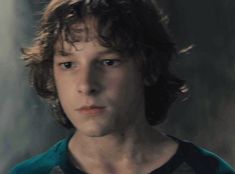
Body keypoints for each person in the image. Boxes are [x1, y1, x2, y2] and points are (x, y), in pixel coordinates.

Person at [10, 0, 235, 173]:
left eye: (108, 62)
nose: (86, 85)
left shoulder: (207, 170)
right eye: (68, 65)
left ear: (150, 68)